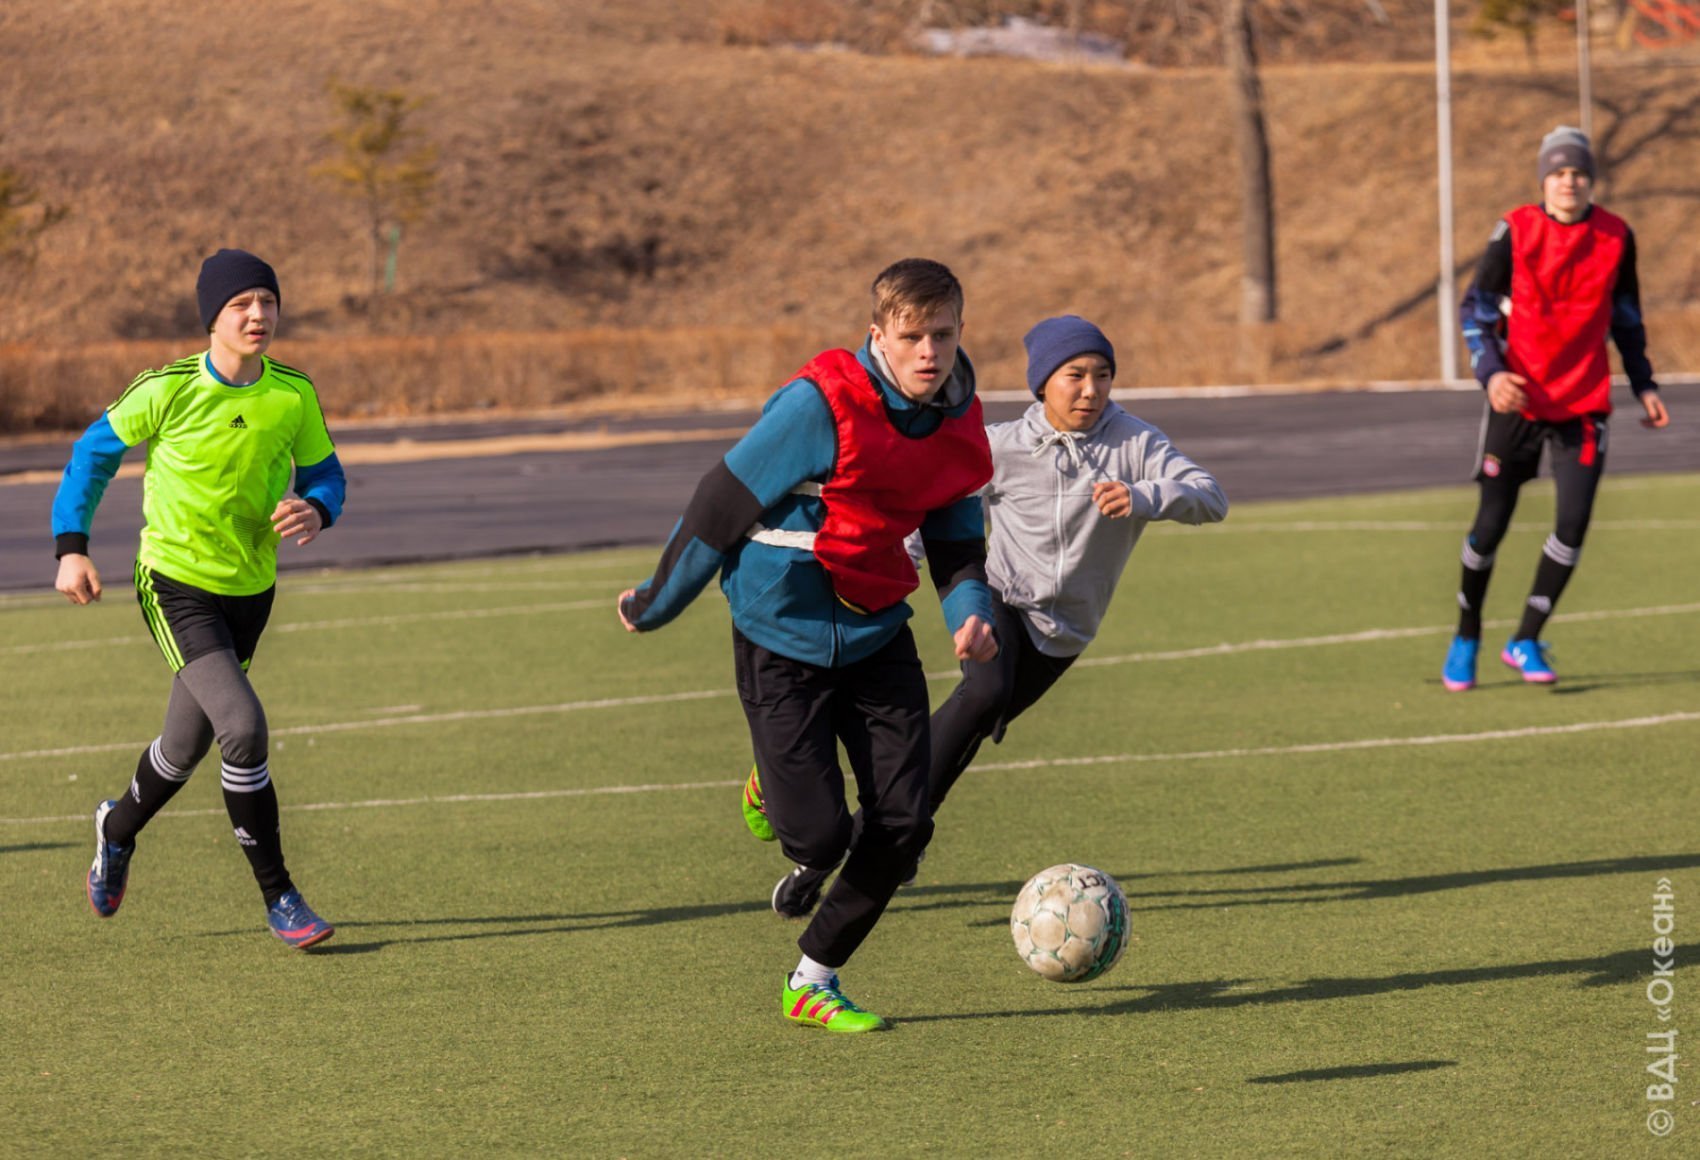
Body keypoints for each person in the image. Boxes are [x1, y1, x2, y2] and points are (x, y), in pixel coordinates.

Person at [618, 258, 997, 1033]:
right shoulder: (819, 404)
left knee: (905, 824)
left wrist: (969, 609)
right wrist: (655, 603)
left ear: (962, 331)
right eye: (912, 336)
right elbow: (719, 505)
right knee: (820, 836)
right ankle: (773, 786)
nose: (929, 352)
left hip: (876, 628)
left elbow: (955, 535)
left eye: (943, 333)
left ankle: (813, 978)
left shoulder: (958, 418)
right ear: (877, 336)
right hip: (778, 634)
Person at [742, 315, 1228, 871]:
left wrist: (1144, 495)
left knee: (961, 734)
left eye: (1102, 375)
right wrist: (893, 568)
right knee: (983, 694)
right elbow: (933, 509)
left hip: (1065, 631)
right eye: (1075, 375)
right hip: (998, 597)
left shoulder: (1135, 443)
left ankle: (873, 843)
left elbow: (1210, 496)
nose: (1091, 390)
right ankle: (859, 827)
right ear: (1042, 382)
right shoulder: (1000, 445)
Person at [53, 248, 347, 949]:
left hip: (252, 588)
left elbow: (327, 473)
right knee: (242, 726)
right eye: (241, 304)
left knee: (183, 748)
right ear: (212, 317)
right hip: (175, 582)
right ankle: (281, 897)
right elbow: (92, 455)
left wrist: (316, 507)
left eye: (267, 302)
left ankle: (116, 828)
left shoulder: (292, 393)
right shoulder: (168, 388)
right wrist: (72, 547)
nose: (257, 314)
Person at [1443, 126, 1671, 691]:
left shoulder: (1615, 235)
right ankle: (1466, 636)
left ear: (1591, 180)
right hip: (1518, 400)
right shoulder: (1515, 230)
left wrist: (1644, 383)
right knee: (1489, 527)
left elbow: (1627, 317)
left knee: (1572, 525)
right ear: (1544, 179)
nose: (1569, 182)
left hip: (1583, 403)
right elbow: (1476, 310)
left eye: (1579, 173)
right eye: (1559, 172)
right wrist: (1493, 374)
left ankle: (1525, 638)